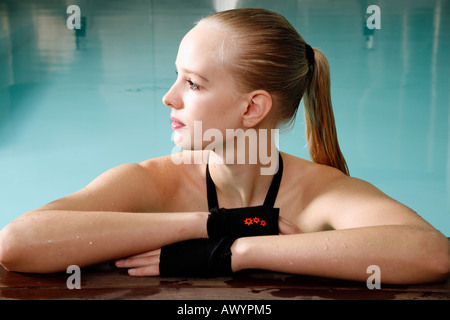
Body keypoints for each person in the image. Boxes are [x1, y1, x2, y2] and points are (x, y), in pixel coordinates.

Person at [0, 8, 448, 284]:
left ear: (252, 108)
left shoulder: (320, 192)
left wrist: (237, 251)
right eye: (177, 76)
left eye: (192, 84)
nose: (168, 97)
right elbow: (19, 243)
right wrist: (215, 224)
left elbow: (430, 253)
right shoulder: (154, 184)